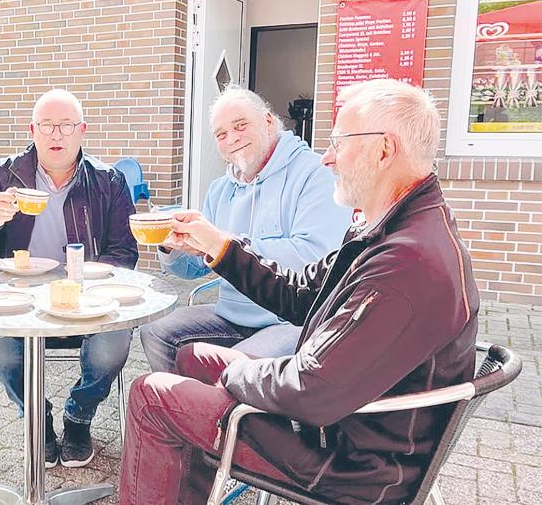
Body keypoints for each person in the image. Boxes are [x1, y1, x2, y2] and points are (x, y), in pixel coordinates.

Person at [119, 79, 479, 504]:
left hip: (351, 463)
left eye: (339, 142)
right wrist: (219, 247)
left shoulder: (408, 263)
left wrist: (232, 377)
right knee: (191, 355)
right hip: (343, 420)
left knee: (150, 394)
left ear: (384, 149)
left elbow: (310, 389)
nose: (326, 158)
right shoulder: (390, 227)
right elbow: (302, 294)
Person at [0, 89, 138, 468]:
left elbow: (125, 252)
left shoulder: (109, 180)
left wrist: (92, 282)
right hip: (19, 300)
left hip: (87, 299)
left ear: (82, 130)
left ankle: (79, 415)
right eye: (47, 126)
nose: (57, 135)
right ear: (32, 130)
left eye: (66, 125)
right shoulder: (4, 174)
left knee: (115, 341)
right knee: (1, 347)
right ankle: (37, 416)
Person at [140, 86, 350, 372]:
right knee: (155, 332)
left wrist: (222, 244)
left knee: (231, 372)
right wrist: (171, 246)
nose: (232, 139)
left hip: (291, 319)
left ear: (267, 122)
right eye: (222, 134)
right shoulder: (220, 189)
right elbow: (194, 271)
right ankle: (182, 408)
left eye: (241, 126)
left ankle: (219, 413)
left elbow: (313, 256)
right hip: (231, 315)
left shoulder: (315, 173)